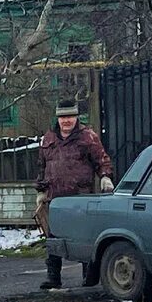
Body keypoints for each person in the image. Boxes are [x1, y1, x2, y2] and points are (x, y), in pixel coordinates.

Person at [35, 98, 114, 289]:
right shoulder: (48, 138)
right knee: (53, 239)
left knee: (84, 238)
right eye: (63, 117)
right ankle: (53, 278)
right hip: (55, 198)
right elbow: (41, 166)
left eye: (70, 116)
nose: (66, 121)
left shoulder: (88, 137)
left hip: (80, 198)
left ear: (77, 117)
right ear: (57, 118)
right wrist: (40, 190)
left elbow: (102, 160)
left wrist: (105, 176)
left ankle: (89, 277)